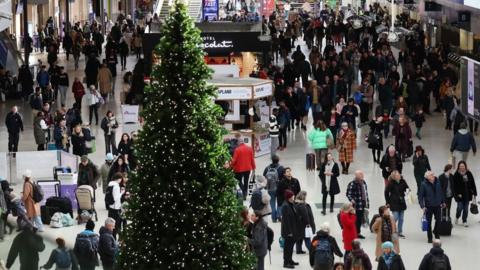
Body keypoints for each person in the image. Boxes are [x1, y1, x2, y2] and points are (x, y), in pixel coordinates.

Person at [418, 171, 445, 243]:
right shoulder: (423, 184)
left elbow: (441, 192)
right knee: (429, 223)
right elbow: (420, 197)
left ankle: (436, 233)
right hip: (428, 207)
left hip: (438, 205)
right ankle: (429, 237)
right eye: (431, 175)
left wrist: (443, 201)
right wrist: (422, 206)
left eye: (433, 174)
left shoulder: (438, 182)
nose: (433, 175)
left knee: (439, 220)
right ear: (427, 177)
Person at [231, 132, 256, 200]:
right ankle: (245, 193)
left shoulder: (237, 149)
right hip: (248, 169)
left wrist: (230, 165)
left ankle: (243, 192)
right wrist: (254, 168)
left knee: (238, 181)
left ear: (239, 142)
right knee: (246, 181)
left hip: (239, 169)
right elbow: (252, 159)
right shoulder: (250, 148)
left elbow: (234, 160)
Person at [384, 171, 409, 238]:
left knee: (401, 218)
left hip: (402, 202)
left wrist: (408, 192)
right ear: (394, 177)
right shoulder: (391, 183)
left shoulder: (403, 181)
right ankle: (390, 230)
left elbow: (407, 189)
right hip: (394, 202)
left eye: (399, 174)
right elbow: (386, 192)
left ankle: (399, 232)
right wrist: (387, 202)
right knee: (395, 217)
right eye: (397, 175)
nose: (399, 175)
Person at [452, 160, 477, 227]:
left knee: (466, 209)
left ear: (465, 166)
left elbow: (472, 183)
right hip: (460, 195)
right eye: (460, 166)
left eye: (463, 166)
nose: (462, 167)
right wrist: (457, 193)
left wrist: (475, 193)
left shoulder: (468, 173)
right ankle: (457, 217)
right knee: (460, 208)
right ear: (458, 167)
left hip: (467, 194)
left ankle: (464, 220)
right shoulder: (456, 174)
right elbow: (454, 185)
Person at [346, 170, 369, 238]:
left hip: (363, 204)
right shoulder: (352, 184)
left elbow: (365, 193)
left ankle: (358, 233)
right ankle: (354, 233)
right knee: (355, 220)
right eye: (361, 174)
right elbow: (348, 194)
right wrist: (352, 200)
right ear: (357, 176)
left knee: (359, 220)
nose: (362, 175)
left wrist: (367, 202)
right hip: (356, 205)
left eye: (362, 174)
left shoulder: (363, 182)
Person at [281, 189, 301, 269]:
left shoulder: (291, 204)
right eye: (292, 196)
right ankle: (286, 263)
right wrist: (289, 232)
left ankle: (290, 260)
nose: (294, 197)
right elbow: (286, 221)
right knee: (287, 247)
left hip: (293, 229)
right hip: (288, 231)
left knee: (291, 246)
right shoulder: (285, 206)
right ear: (289, 197)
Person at [262, 154, 284, 222]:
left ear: (272, 160)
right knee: (280, 202)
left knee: (272, 203)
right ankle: (279, 215)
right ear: (278, 160)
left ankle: (273, 218)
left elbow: (264, 177)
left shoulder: (267, 168)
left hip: (270, 188)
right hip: (279, 188)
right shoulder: (281, 168)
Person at [107, 173, 125, 238]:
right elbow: (116, 198)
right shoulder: (116, 186)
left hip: (111, 207)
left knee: (110, 224)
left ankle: (111, 238)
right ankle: (114, 239)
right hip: (115, 208)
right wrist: (121, 193)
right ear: (119, 179)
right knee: (116, 226)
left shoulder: (110, 184)